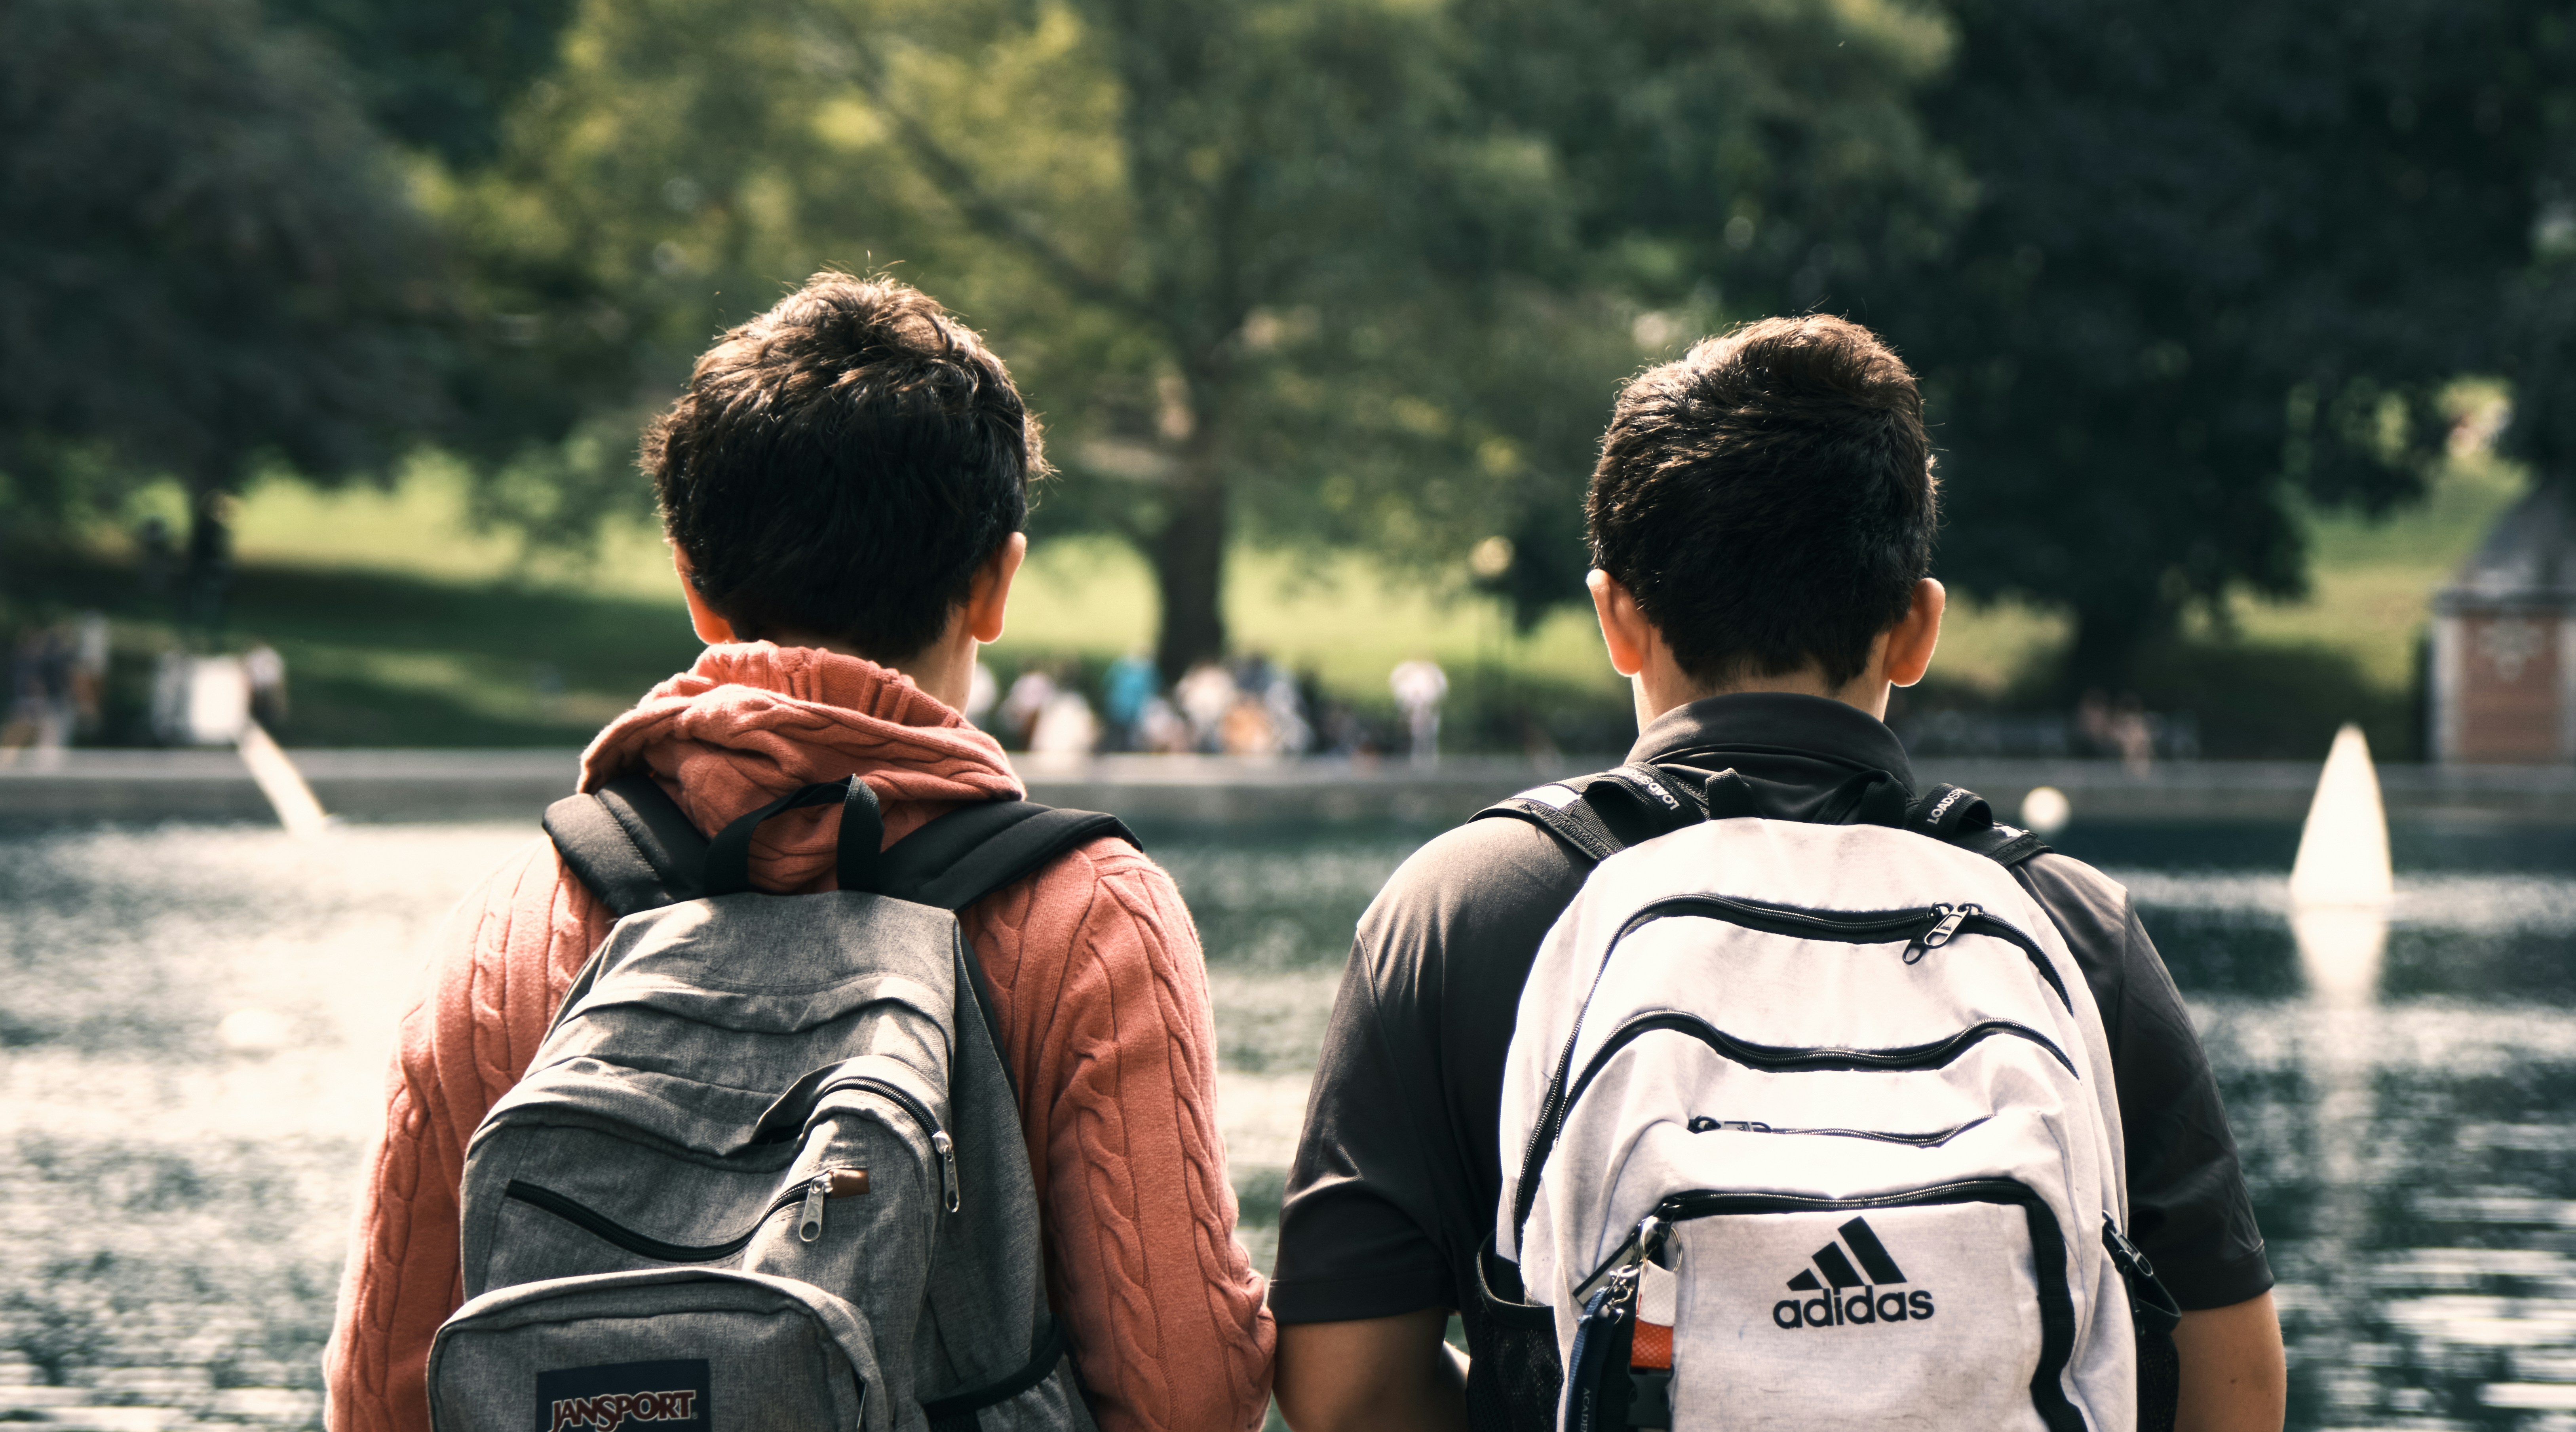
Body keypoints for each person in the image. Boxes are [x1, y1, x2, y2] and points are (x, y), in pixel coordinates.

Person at [1270, 316, 2285, 1432]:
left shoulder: (1464, 911)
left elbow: (1344, 1389)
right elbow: (2232, 1381)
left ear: (1616, 616)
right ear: (1916, 628)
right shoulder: (2069, 927)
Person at [325, 274, 1274, 1432]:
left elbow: (382, 1397)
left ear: (693, 581)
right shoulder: (1084, 916)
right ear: (994, 583)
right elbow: (1189, 1393)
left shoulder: (512, 926)